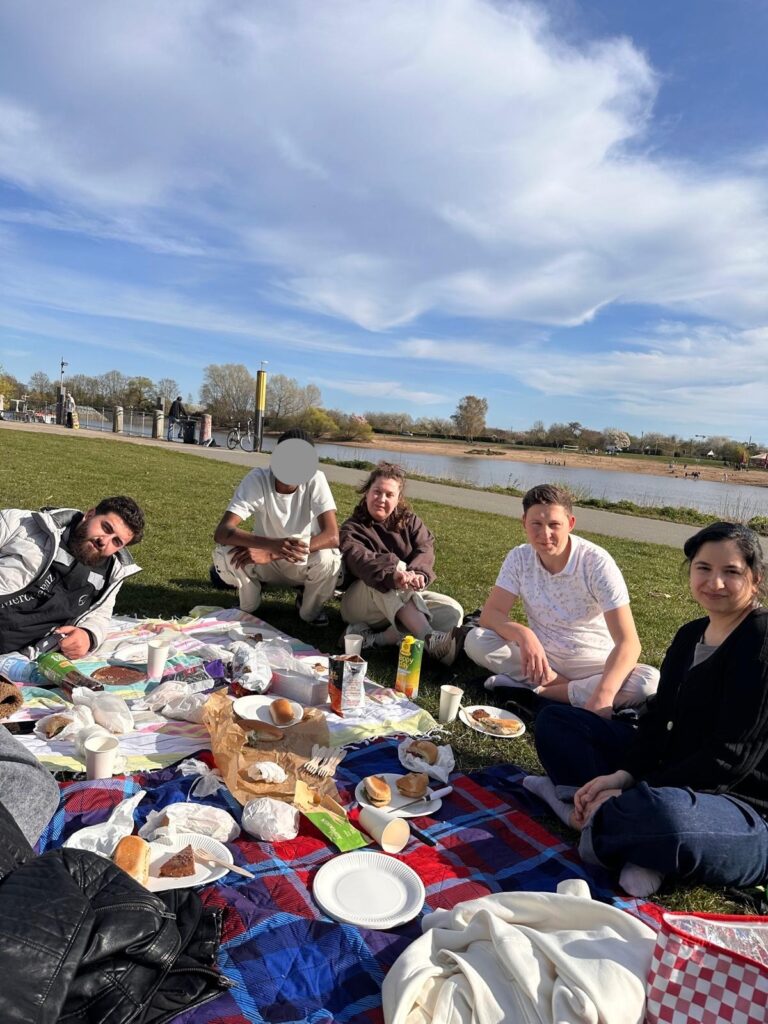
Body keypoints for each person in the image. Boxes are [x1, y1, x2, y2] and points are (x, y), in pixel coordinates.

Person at [525, 521, 768, 897]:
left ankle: (580, 811)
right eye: (703, 568)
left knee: (666, 817)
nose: (714, 582)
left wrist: (638, 791)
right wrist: (622, 777)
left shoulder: (760, 642)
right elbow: (656, 721)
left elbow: (730, 759)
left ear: (755, 579)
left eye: (731, 572)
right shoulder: (690, 635)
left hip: (738, 804)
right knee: (557, 722)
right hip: (668, 771)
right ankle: (618, 825)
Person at [465, 484, 658, 716]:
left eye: (554, 525)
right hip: (540, 659)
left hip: (591, 663)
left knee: (648, 682)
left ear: (571, 524)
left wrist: (604, 695)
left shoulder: (595, 563)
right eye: (536, 524)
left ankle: (539, 692)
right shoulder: (519, 558)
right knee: (476, 640)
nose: (544, 534)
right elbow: (491, 615)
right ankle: (564, 691)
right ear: (524, 522)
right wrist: (524, 635)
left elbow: (629, 643)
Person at [211, 429, 341, 626]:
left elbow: (332, 536)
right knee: (229, 551)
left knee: (328, 558)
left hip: (300, 560)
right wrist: (269, 545)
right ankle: (249, 603)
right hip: (265, 562)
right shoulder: (257, 478)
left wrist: (274, 552)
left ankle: (309, 608)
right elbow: (222, 532)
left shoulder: (316, 479)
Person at [339, 462, 464, 664]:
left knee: (452, 610)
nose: (381, 499)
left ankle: (382, 638)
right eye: (377, 492)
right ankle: (428, 639)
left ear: (398, 499)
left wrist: (418, 574)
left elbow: (425, 547)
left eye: (389, 495)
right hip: (360, 604)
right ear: (367, 492)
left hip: (402, 598)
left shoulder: (410, 522)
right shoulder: (352, 528)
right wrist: (394, 575)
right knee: (393, 572)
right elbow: (360, 560)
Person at [0, 496, 144, 659]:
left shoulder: (112, 573)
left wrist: (88, 636)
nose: (104, 541)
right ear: (89, 515)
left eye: (116, 541)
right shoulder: (22, 524)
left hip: (21, 658)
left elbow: (100, 615)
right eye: (106, 527)